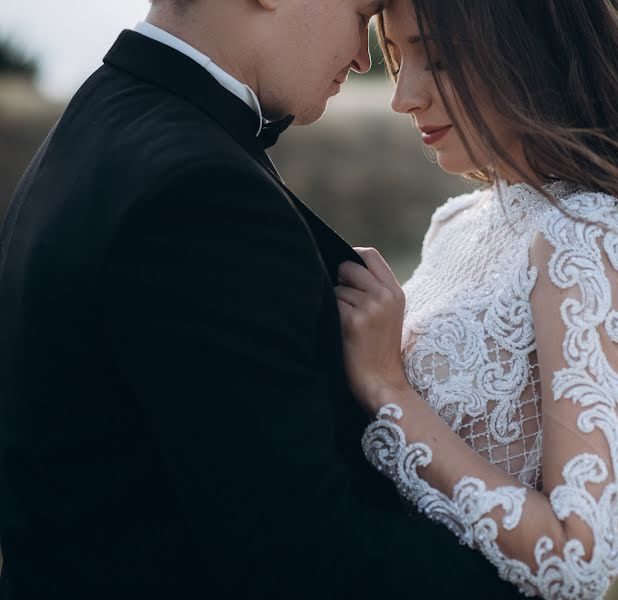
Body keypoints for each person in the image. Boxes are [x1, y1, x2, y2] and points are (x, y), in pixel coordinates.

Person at [0, 1, 527, 598]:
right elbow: (301, 557)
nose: (362, 58)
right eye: (359, 13)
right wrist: (521, 577)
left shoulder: (99, 121)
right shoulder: (196, 192)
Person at [333, 1, 618, 598]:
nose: (403, 97)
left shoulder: (590, 236)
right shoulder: (457, 224)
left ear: (528, 54)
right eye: (398, 59)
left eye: (441, 60)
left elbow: (579, 558)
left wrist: (387, 390)